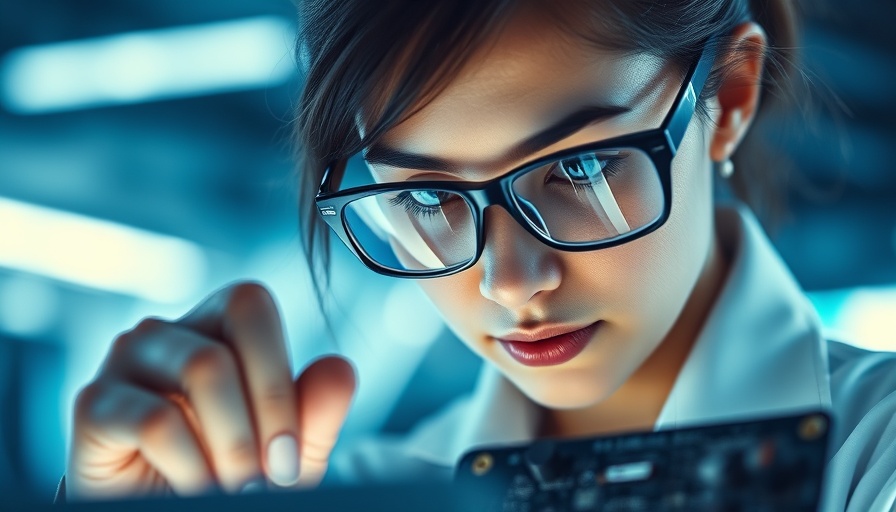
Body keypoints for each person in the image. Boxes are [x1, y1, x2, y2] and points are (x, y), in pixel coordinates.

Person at [60, 0, 896, 510]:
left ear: (731, 95)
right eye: (423, 199)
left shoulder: (876, 459)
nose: (509, 281)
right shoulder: (360, 491)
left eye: (579, 167)